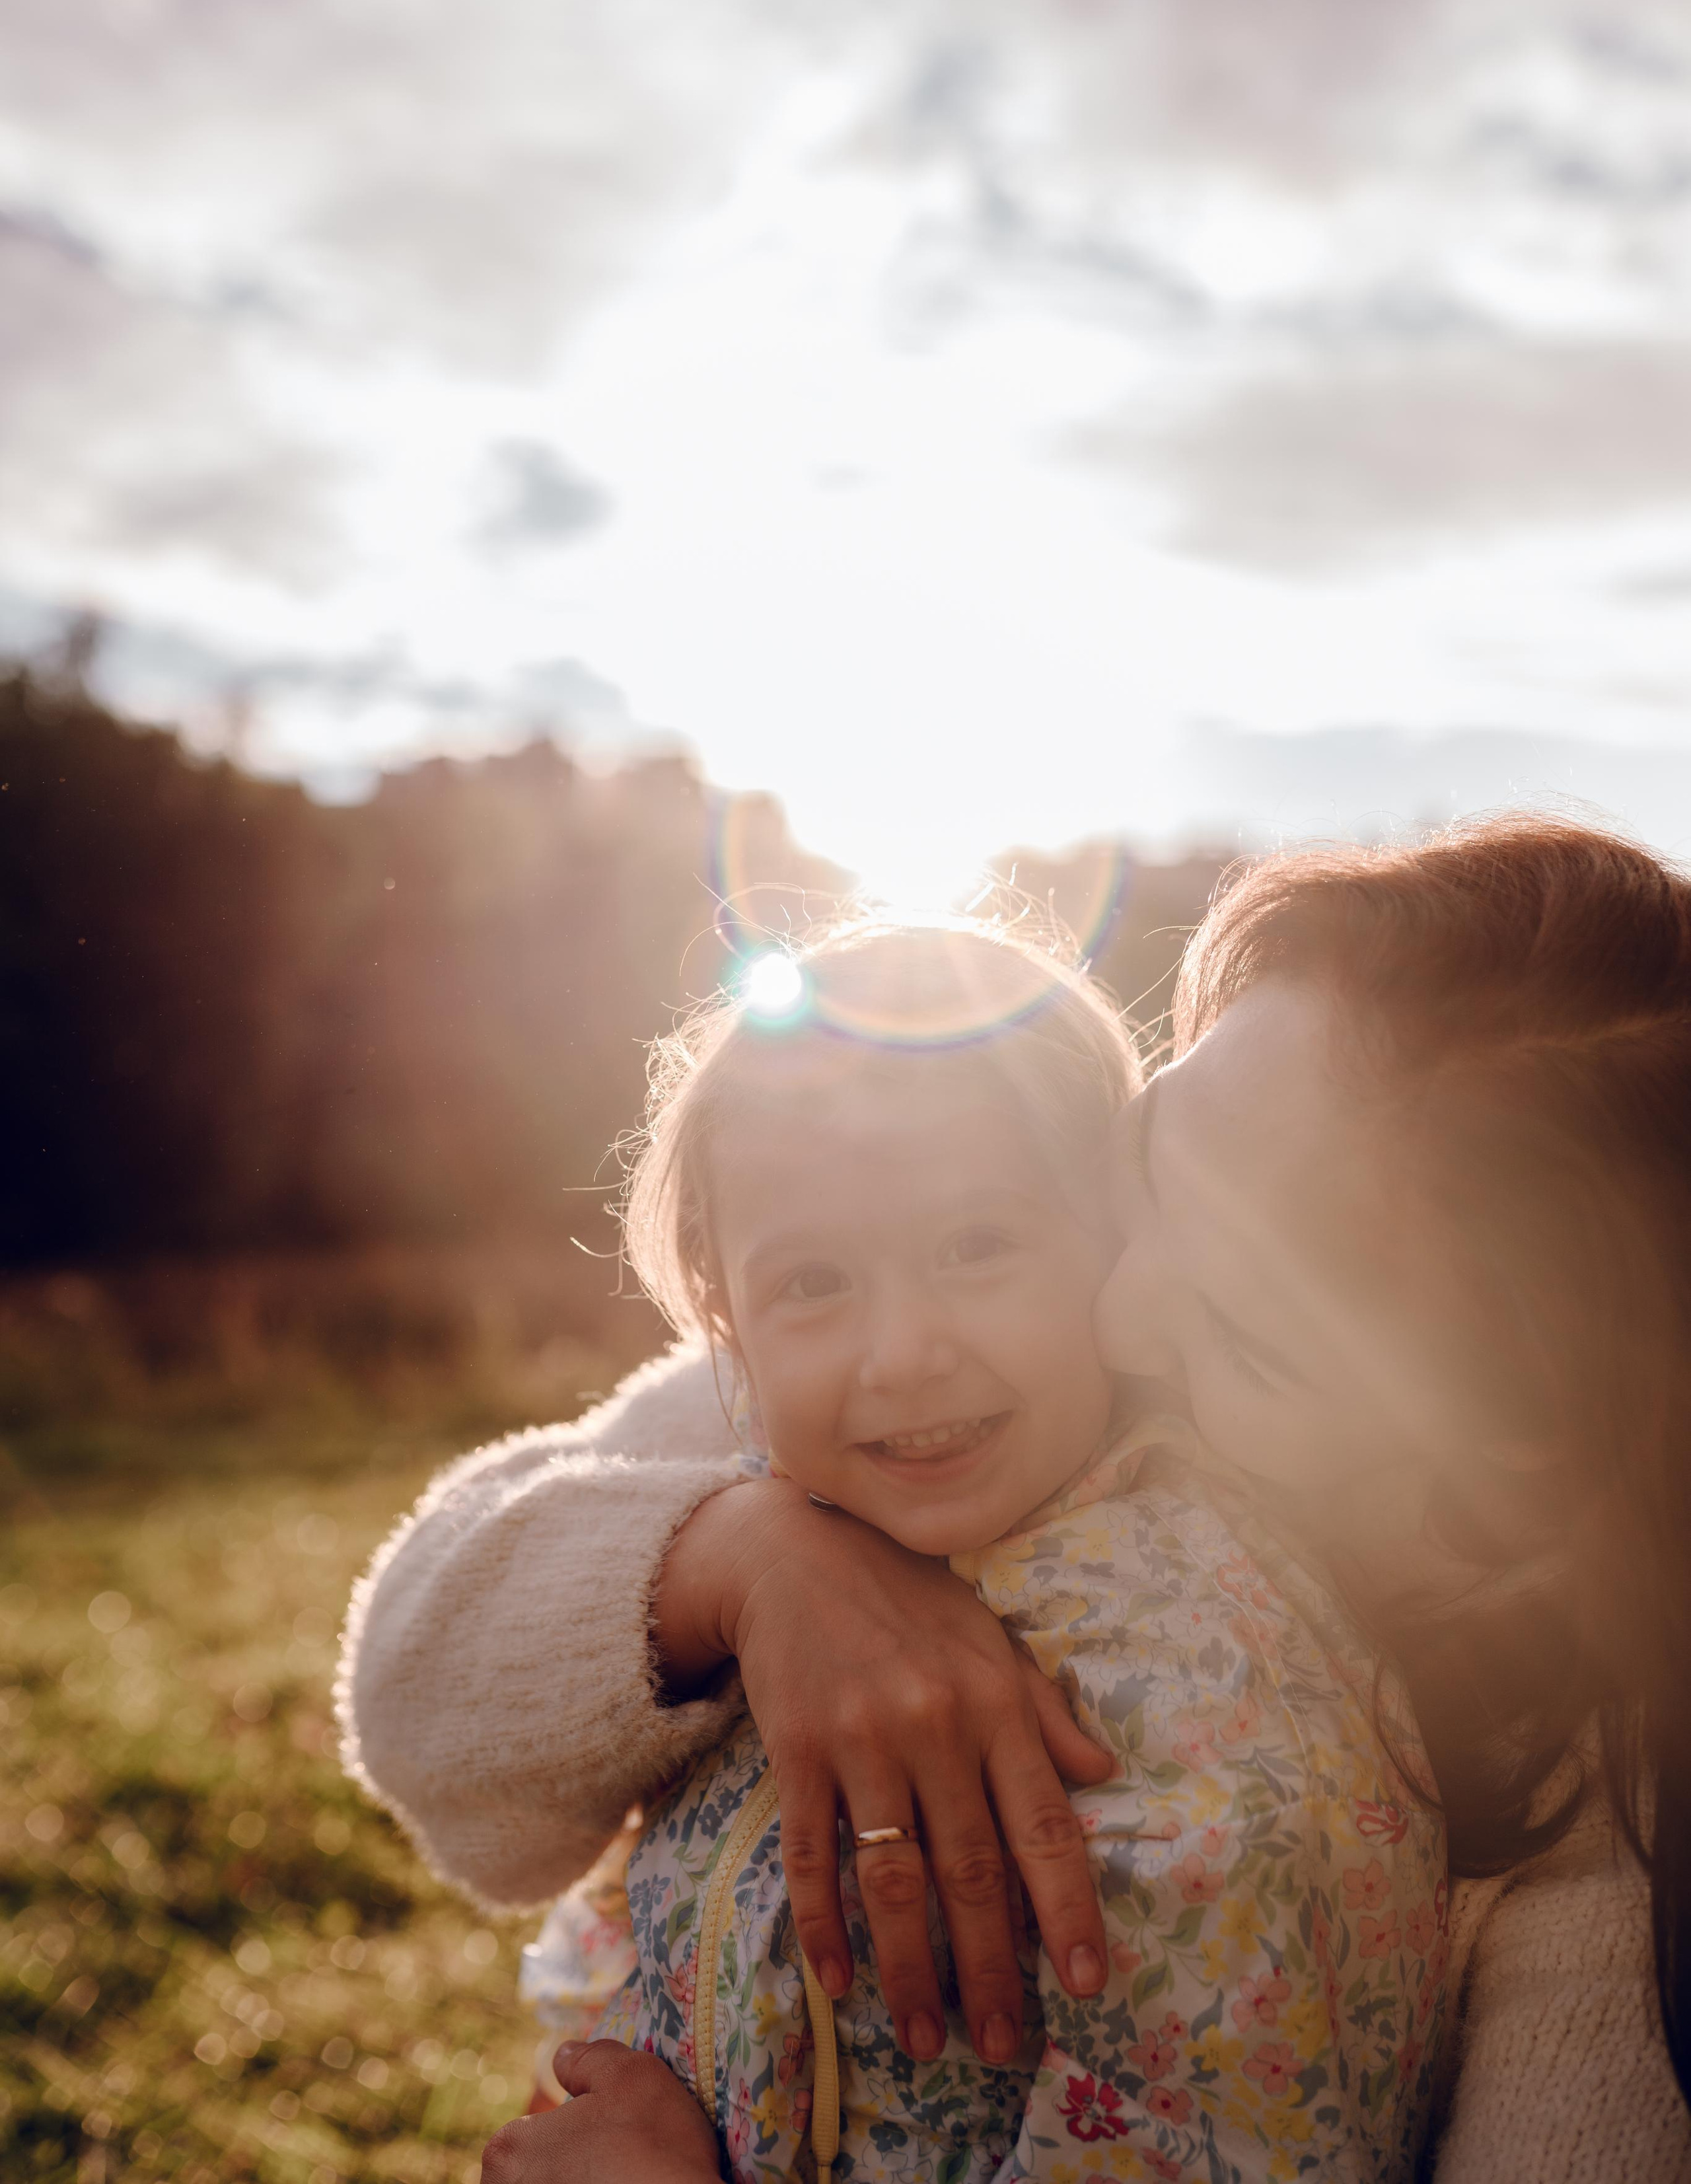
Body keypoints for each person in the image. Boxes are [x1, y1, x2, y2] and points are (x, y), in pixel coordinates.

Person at [339, 813, 1691, 2182]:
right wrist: (740, 1558)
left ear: (1503, 1423)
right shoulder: (902, 1383)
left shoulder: (1607, 1885)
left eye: (1245, 1327)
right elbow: (412, 1697)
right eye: (1147, 1163)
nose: (1116, 1310)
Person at [546, 914, 1444, 2179]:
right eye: (811, 1281)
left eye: (978, 1246)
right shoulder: (768, 1509)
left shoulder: (1199, 1692)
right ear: (723, 1316)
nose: (902, 1350)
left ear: (1114, 1247)